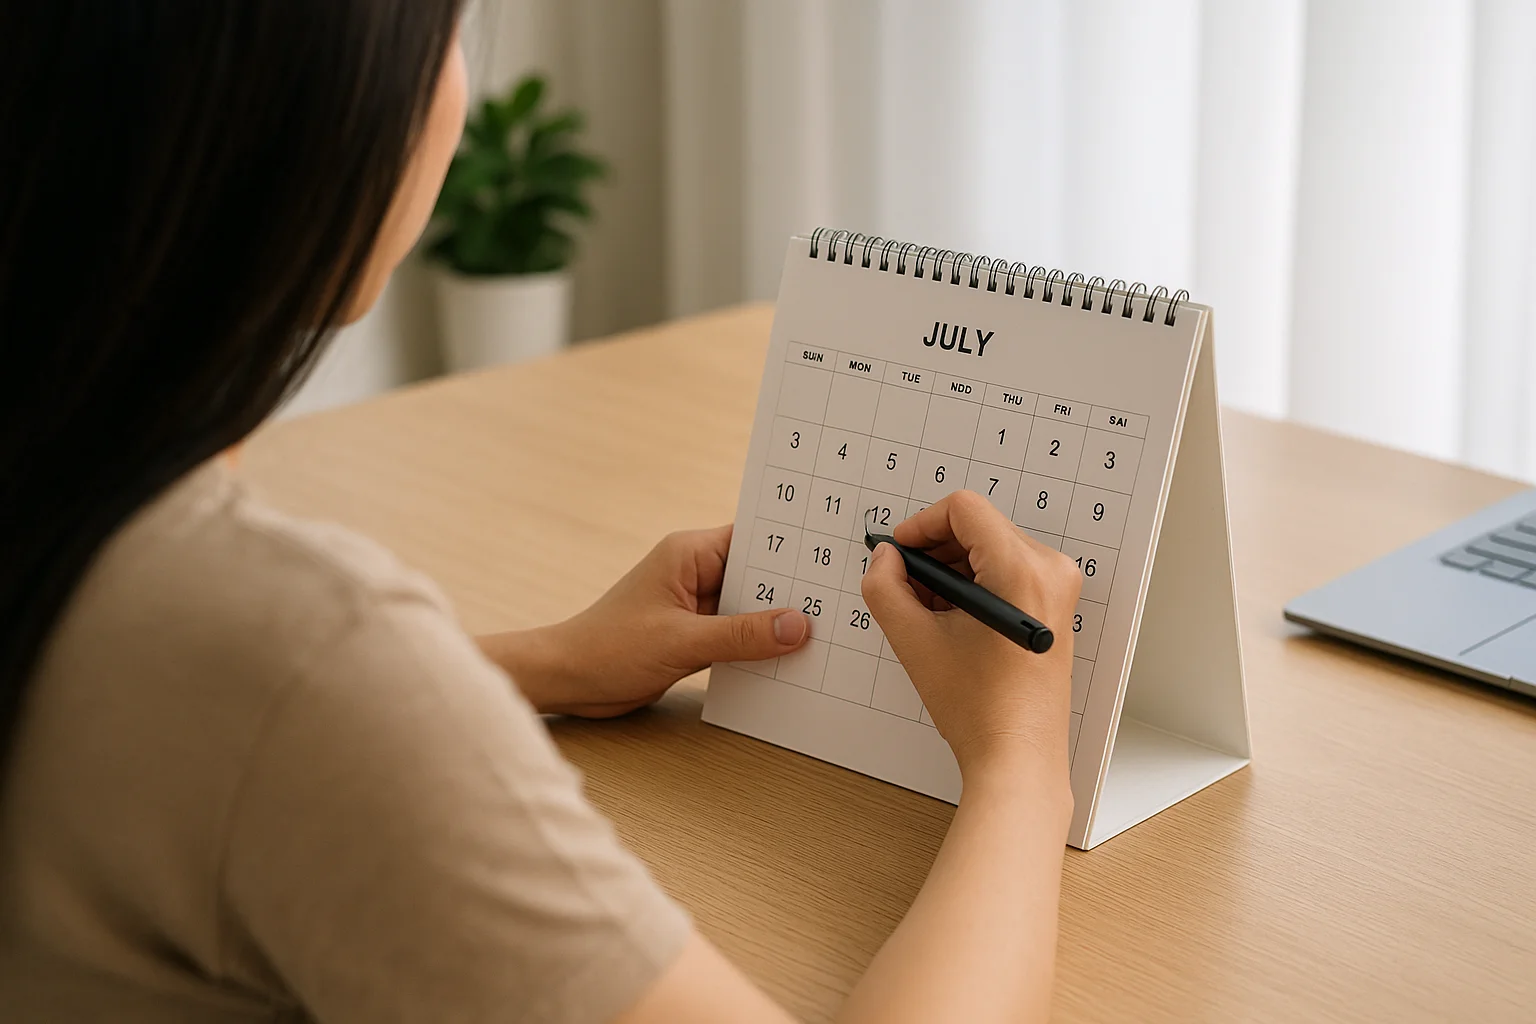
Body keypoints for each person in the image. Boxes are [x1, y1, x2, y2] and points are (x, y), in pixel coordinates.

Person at [0, 4, 1083, 1022]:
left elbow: (194, 716)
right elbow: (278, 701)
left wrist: (547, 661)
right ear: (314, 105)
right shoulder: (294, 657)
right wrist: (1022, 763)